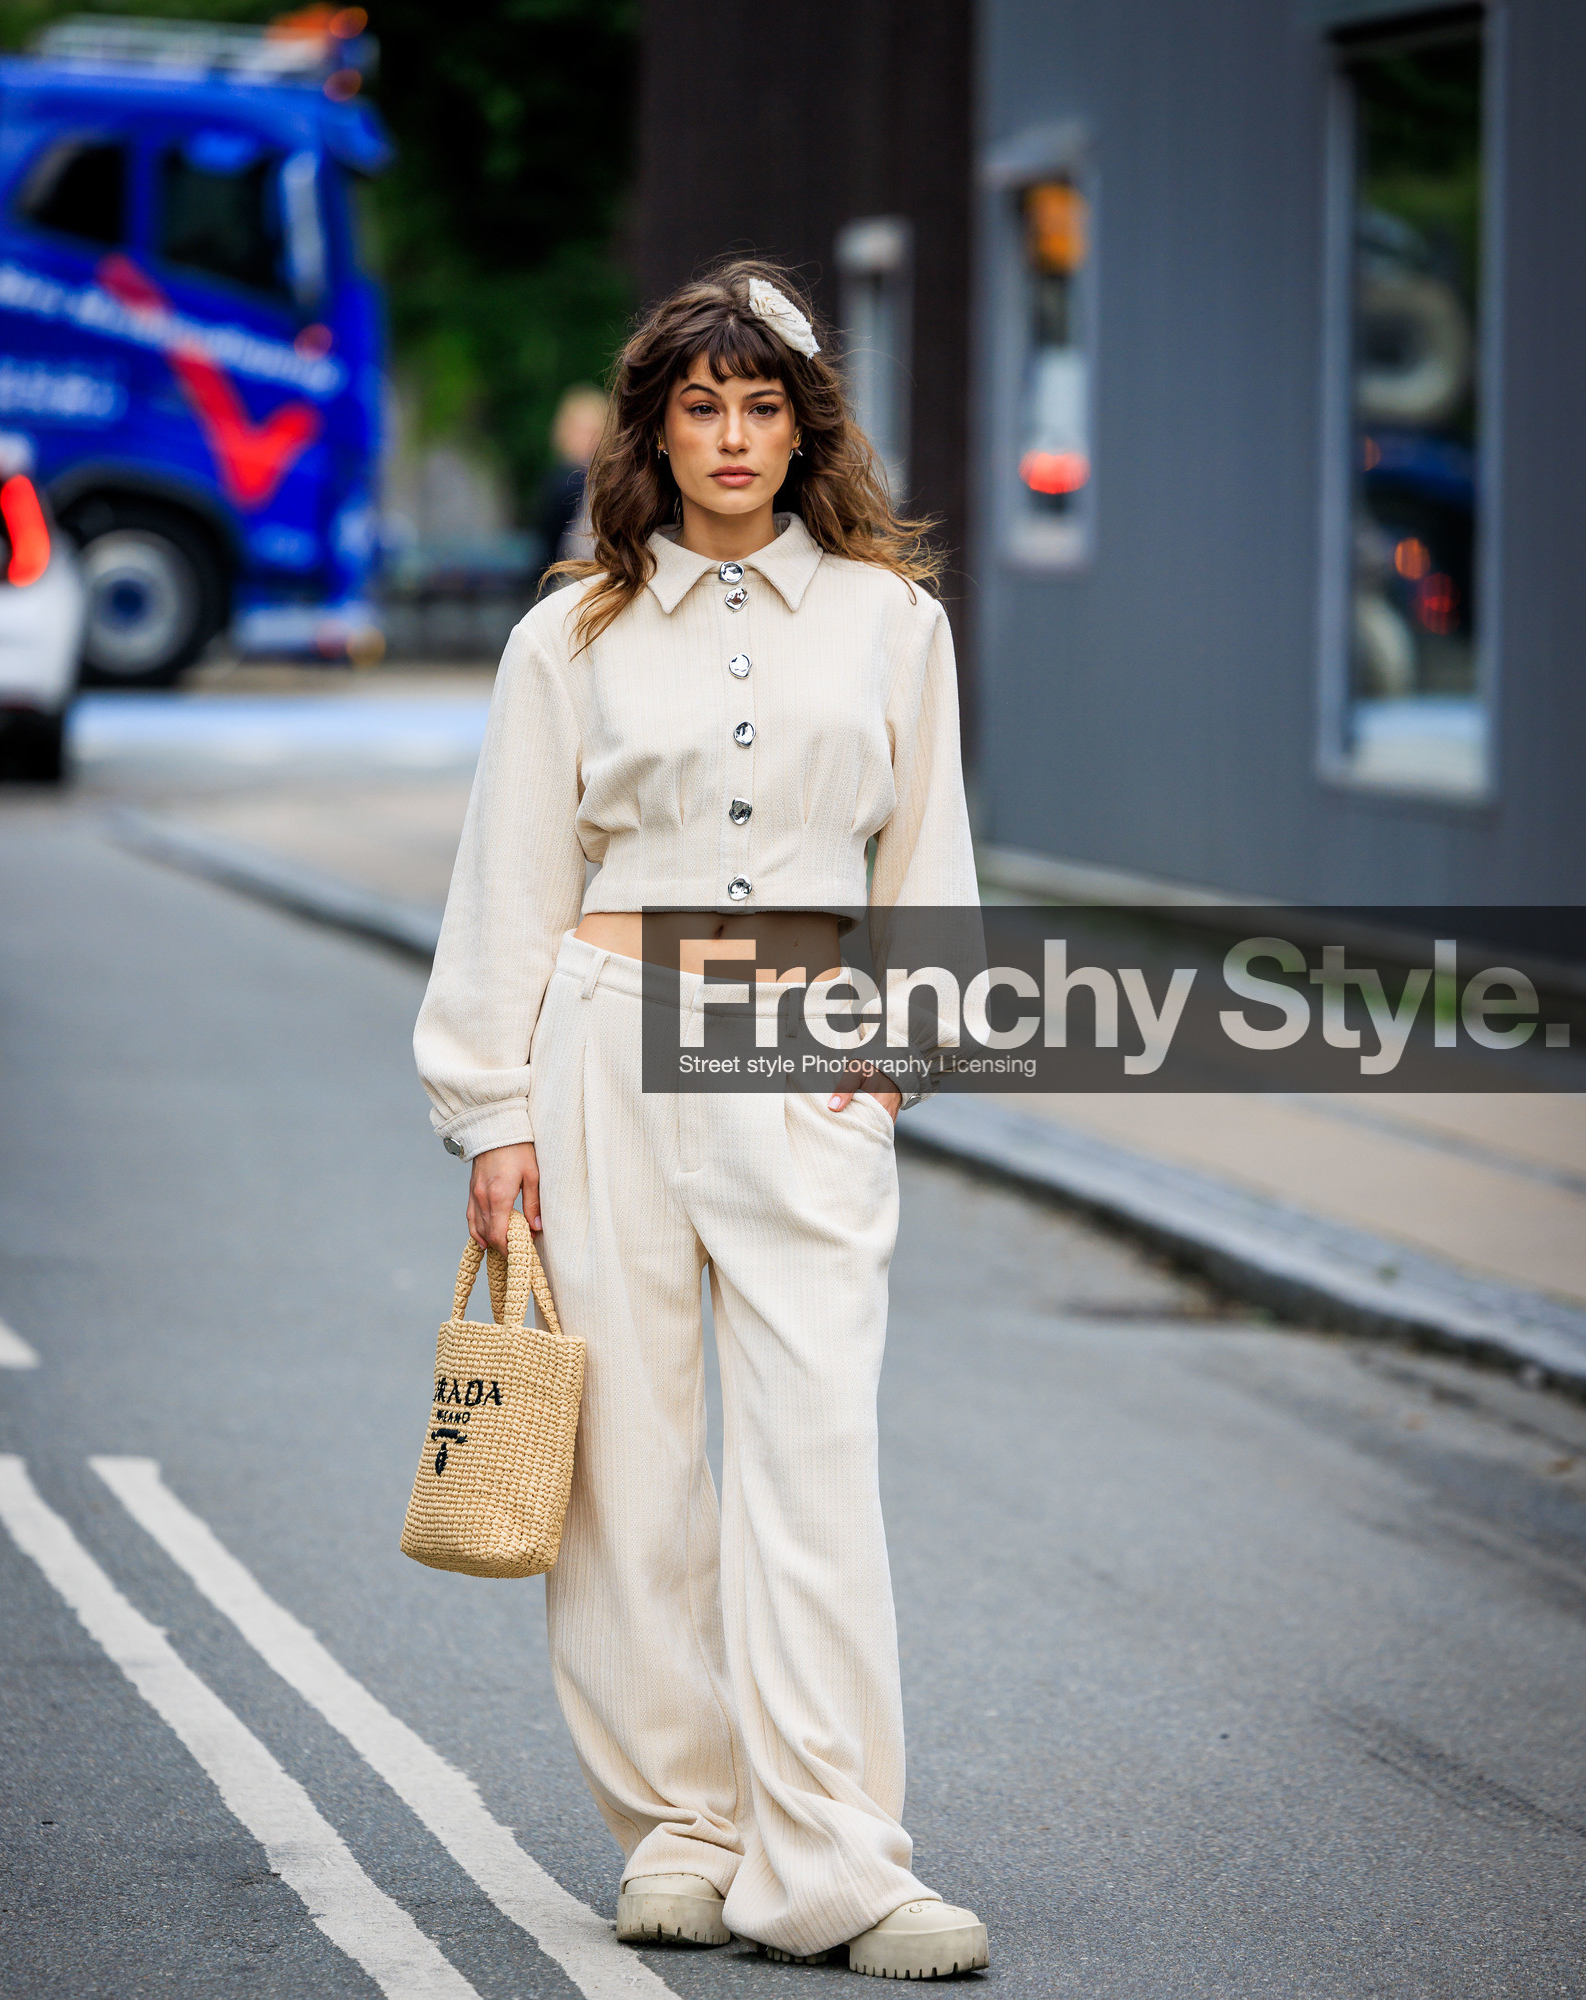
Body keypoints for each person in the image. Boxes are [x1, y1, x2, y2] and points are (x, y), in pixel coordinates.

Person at [413, 260, 985, 1980]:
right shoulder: (567, 631)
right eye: (699, 406)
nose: (731, 439)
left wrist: (899, 1051)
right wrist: (493, 1114)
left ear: (801, 429)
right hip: (603, 1048)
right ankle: (685, 1824)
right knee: (635, 1472)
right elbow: (509, 883)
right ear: (656, 430)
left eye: (761, 408)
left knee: (812, 1463)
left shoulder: (892, 622)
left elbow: (929, 866)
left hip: (804, 1057)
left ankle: (836, 1862)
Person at [535, 384, 608, 569]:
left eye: (592, 432)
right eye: (578, 431)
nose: (585, 440)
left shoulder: (568, 482)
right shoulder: (562, 483)